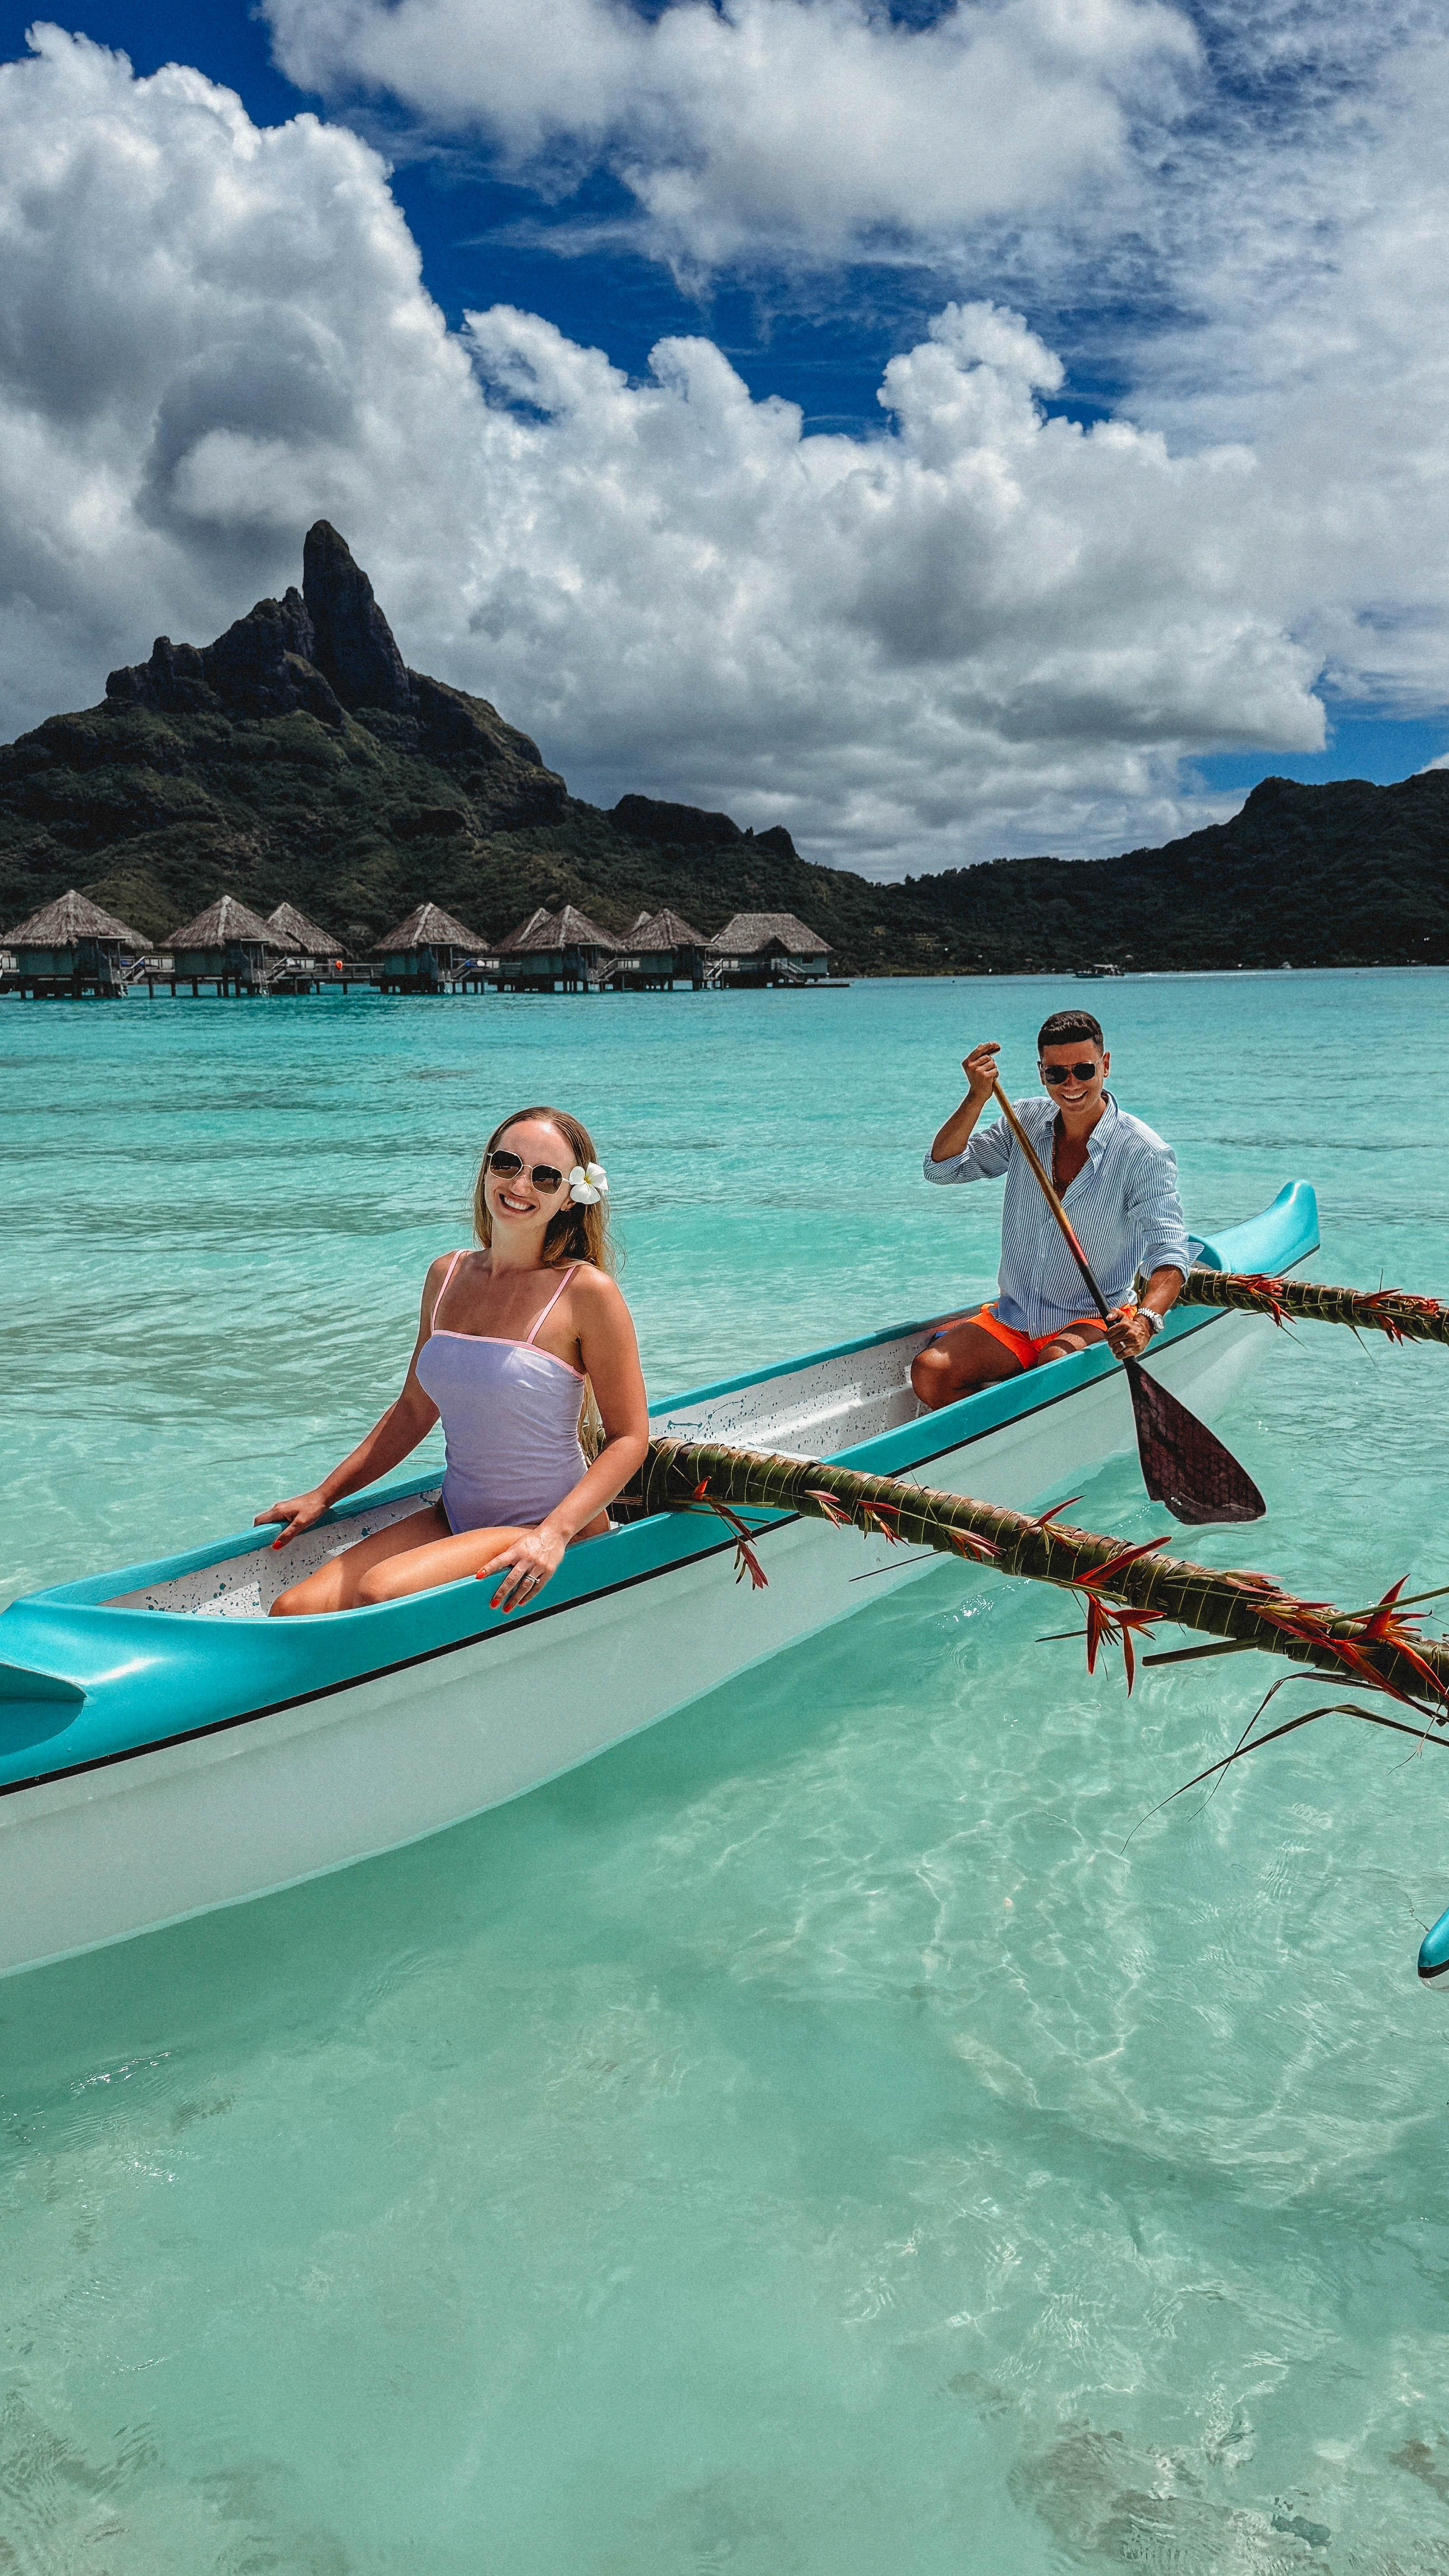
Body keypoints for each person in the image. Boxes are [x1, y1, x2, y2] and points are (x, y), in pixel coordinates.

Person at [258, 1105, 649, 1615]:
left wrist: (554, 1535)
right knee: (294, 1609)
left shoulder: (586, 1293)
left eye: (546, 1176)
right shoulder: (446, 1275)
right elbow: (414, 1410)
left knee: (381, 1592)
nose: (521, 1184)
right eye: (508, 1163)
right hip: (456, 1517)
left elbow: (629, 1438)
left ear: (570, 1199)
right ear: (488, 1168)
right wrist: (325, 1495)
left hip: (546, 1530)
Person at [911, 1011, 1189, 1412]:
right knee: (930, 1371)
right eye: (1057, 1074)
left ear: (1105, 1066)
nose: (1070, 1084)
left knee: (1053, 1365)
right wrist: (977, 1096)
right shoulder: (1021, 1120)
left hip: (1092, 1317)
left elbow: (1169, 1253)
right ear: (1041, 1074)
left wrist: (1145, 1322)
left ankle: (1021, 1415)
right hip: (1016, 1314)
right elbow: (941, 1169)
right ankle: (1005, 1436)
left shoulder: (1143, 1151)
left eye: (1083, 1070)